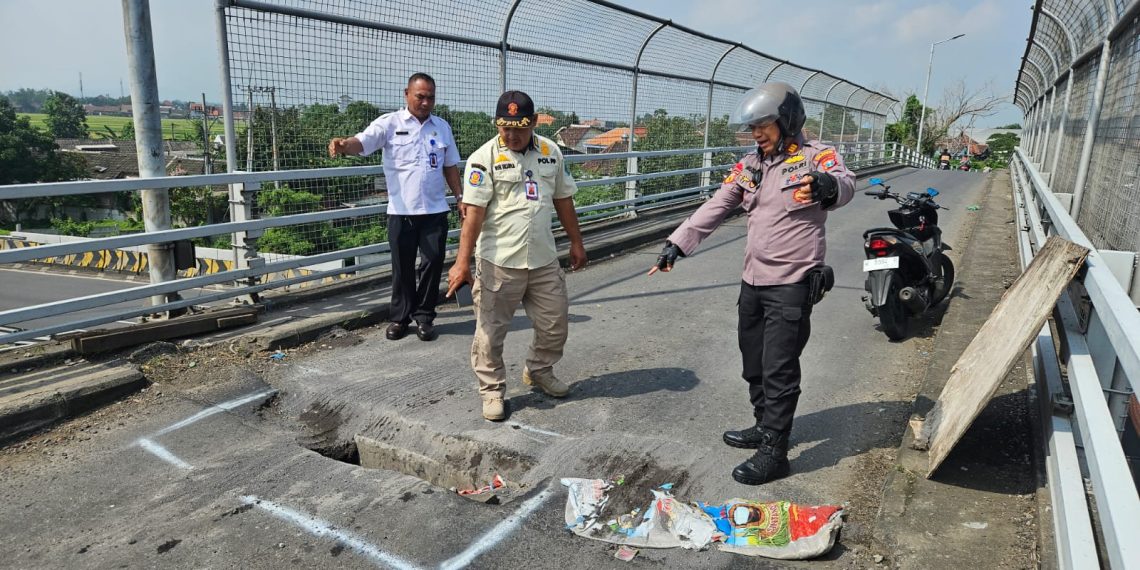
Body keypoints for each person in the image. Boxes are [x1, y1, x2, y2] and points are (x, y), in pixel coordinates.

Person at [648, 82, 854, 485]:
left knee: (779, 367)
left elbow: (844, 184)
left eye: (764, 125)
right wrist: (677, 243)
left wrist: (829, 187)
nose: (757, 133)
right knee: (753, 362)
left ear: (787, 120)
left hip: (792, 282)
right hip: (753, 281)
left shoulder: (816, 158)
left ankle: (775, 451)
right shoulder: (751, 165)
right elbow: (719, 204)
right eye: (753, 127)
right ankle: (763, 425)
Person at [445, 90, 588, 421]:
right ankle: (492, 390)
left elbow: (564, 200)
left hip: (543, 259)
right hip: (499, 262)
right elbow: (474, 215)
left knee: (555, 323)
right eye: (504, 127)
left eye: (519, 128)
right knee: (490, 333)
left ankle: (539, 370)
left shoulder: (551, 152)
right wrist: (462, 262)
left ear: (534, 123)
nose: (511, 135)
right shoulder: (484, 158)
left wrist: (576, 242)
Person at [328, 73, 463, 342]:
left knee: (433, 263)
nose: (425, 102)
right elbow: (362, 142)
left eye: (430, 97)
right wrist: (344, 146)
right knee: (401, 266)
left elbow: (450, 166)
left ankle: (424, 317)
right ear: (407, 94)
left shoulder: (442, 127)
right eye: (420, 96)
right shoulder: (390, 123)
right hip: (401, 210)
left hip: (434, 210)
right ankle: (400, 318)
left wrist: (460, 197)